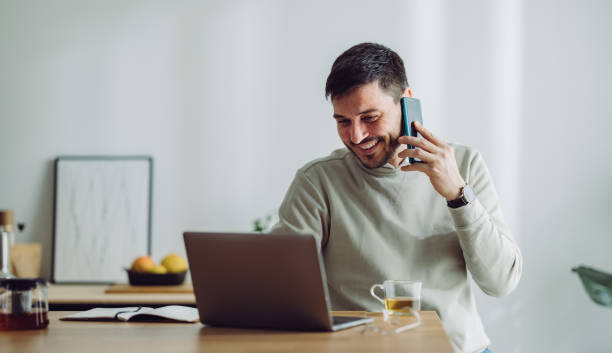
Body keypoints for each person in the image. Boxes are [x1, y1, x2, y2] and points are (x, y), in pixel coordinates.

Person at [270, 42, 522, 353]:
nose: (357, 136)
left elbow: (500, 283)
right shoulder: (318, 181)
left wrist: (458, 195)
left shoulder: (464, 165)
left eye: (370, 117)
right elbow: (277, 285)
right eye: (343, 122)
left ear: (406, 102)